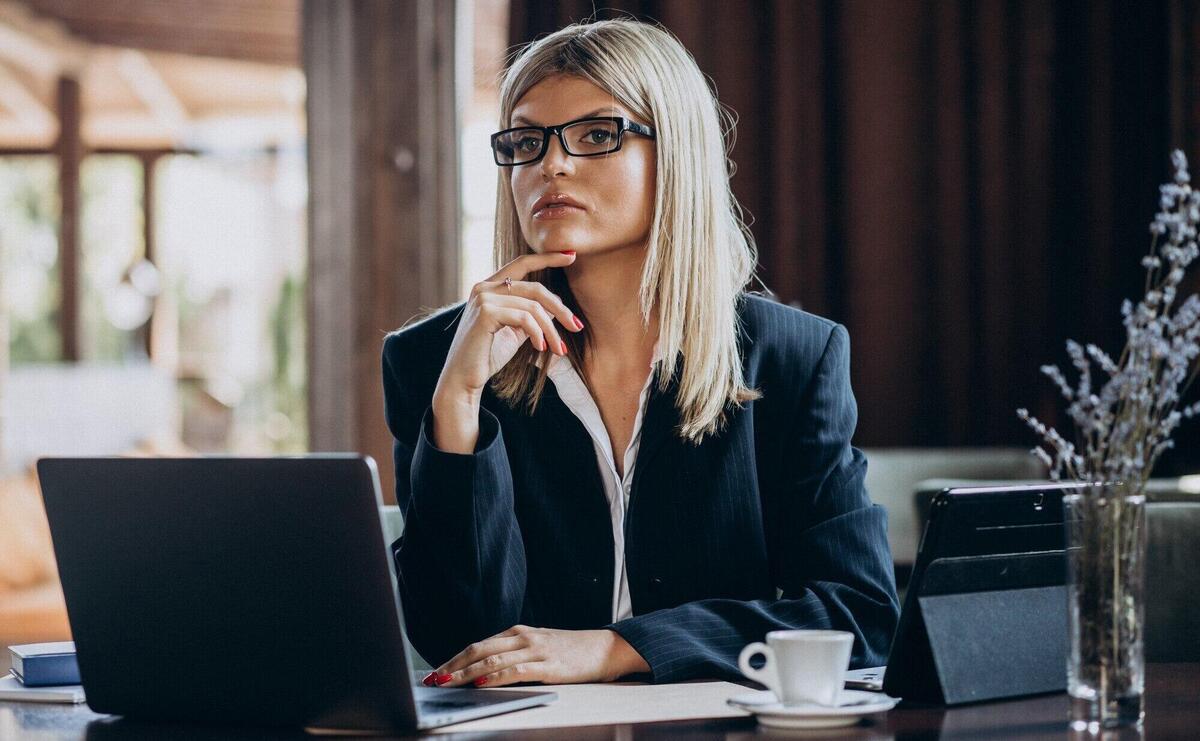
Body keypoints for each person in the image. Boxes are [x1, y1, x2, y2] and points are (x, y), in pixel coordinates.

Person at [381, 18, 899, 689]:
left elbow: (858, 615)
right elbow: (456, 636)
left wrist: (617, 647)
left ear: (675, 153)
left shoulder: (794, 357)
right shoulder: (433, 360)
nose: (552, 165)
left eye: (598, 135)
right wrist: (458, 406)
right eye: (526, 140)